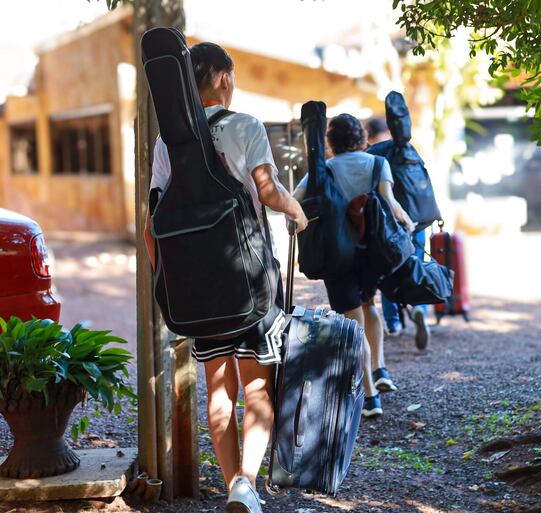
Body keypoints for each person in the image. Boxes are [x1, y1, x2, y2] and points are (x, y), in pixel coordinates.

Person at [144, 42, 308, 513]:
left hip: (196, 289)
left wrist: (165, 279)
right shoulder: (245, 126)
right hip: (250, 282)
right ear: (222, 79)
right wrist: (297, 212)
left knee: (218, 389)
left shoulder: (167, 142)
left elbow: (152, 219)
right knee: (257, 385)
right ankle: (245, 485)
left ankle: (232, 482)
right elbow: (268, 192)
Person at [294, 114, 414, 418]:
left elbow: (296, 199)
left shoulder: (325, 169)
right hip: (371, 253)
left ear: (331, 143)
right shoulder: (377, 164)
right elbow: (391, 203)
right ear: (361, 138)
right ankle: (380, 368)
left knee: (352, 322)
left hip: (337, 256)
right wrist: (407, 223)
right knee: (369, 306)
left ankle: (371, 396)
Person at [366, 117, 431, 350]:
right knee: (415, 268)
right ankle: (419, 310)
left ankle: (394, 323)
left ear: (367, 133)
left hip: (388, 227)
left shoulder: (372, 154)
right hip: (417, 222)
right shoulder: (407, 150)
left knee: (387, 273)